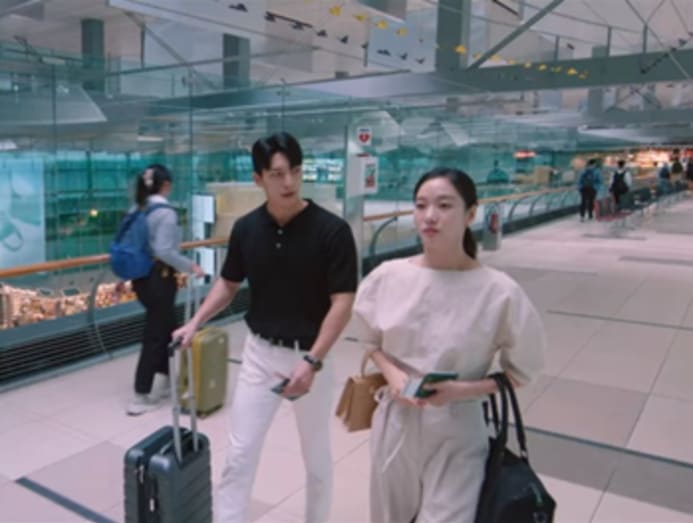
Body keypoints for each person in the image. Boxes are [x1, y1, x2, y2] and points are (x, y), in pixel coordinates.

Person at [172, 132, 358, 523]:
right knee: (240, 456)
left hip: (311, 357)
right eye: (277, 174)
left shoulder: (332, 231)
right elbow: (228, 284)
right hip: (259, 355)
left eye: (295, 171)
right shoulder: (246, 229)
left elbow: (343, 302)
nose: (289, 182)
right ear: (258, 179)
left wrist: (312, 360)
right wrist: (195, 322)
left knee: (316, 457)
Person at [351, 167, 546, 523]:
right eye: (420, 205)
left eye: (444, 205)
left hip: (460, 425)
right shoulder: (388, 276)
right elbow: (370, 341)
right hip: (396, 418)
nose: (429, 216)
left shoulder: (498, 291)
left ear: (471, 214)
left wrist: (462, 390)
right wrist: (391, 373)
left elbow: (522, 370)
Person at [127, 164, 205, 416]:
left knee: (167, 327)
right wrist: (190, 266)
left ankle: (164, 380)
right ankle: (141, 394)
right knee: (155, 334)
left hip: (140, 278)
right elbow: (164, 251)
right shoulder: (166, 213)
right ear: (166, 185)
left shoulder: (137, 208)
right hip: (159, 279)